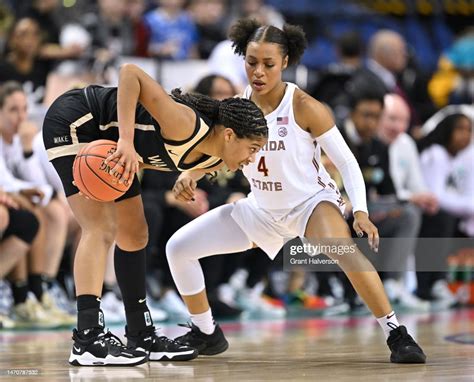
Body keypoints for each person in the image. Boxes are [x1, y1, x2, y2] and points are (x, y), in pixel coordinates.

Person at [166, 19, 426, 363]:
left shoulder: (304, 106)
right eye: (251, 62)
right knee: (178, 248)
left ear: (285, 62)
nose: (258, 72)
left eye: (268, 64)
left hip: (310, 204)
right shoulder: (238, 105)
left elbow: (347, 163)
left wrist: (360, 211)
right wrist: (193, 172)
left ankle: (396, 333)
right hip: (261, 209)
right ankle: (207, 332)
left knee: (343, 250)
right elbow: (226, 156)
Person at [41, 63, 268, 366]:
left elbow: (181, 162)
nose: (253, 158)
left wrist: (188, 176)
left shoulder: (217, 159)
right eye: (252, 148)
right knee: (101, 228)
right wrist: (124, 140)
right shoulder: (184, 124)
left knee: (135, 232)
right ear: (228, 135)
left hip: (108, 140)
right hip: (76, 119)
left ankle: (139, 334)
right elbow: (129, 73)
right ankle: (87, 337)